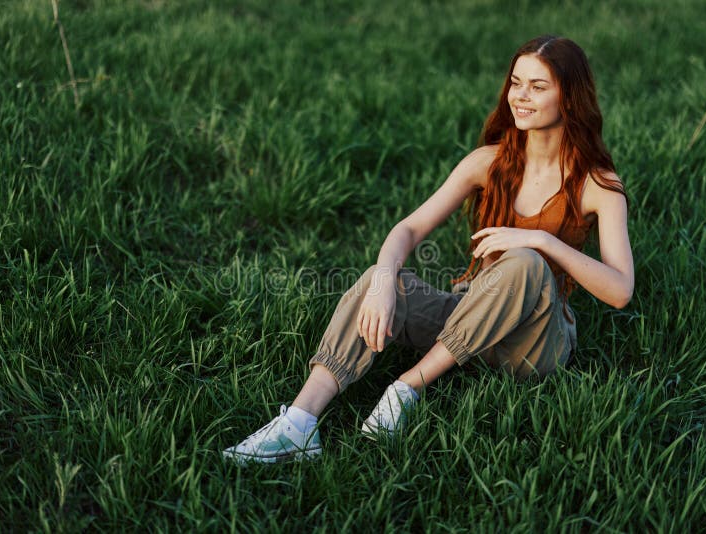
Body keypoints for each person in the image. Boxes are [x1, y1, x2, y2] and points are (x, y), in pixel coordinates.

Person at [223, 35, 634, 464]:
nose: (521, 96)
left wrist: (539, 239)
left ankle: (406, 388)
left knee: (527, 262)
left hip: (533, 342)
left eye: (538, 86)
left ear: (569, 97)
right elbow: (410, 227)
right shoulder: (489, 162)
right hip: (471, 308)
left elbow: (621, 290)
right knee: (380, 280)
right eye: (516, 82)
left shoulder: (598, 184)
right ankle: (299, 424)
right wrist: (384, 281)